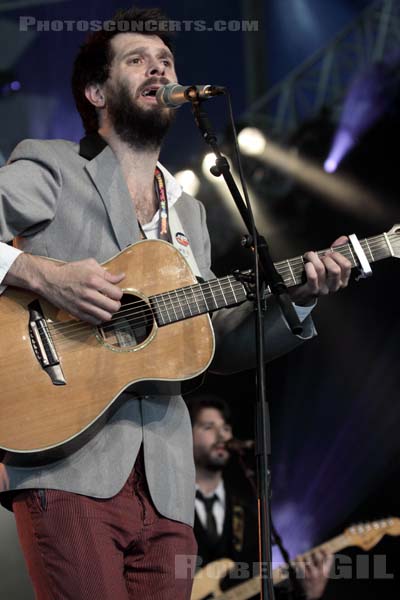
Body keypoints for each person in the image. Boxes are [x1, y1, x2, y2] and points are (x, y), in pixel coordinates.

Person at [0, 6, 350, 599]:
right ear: (96, 90)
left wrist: (300, 300)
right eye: (137, 60)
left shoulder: (187, 210)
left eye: (166, 60)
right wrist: (44, 275)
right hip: (68, 466)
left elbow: (215, 342)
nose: (158, 69)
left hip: (167, 486)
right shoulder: (53, 164)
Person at [189, 394, 334, 599]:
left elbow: (258, 588)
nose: (222, 436)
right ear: (185, 435)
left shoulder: (248, 514)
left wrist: (307, 594)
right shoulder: (167, 507)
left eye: (225, 428)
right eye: (208, 427)